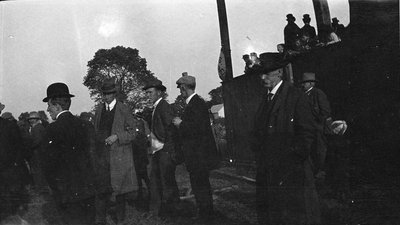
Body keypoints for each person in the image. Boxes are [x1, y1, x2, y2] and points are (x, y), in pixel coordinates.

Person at [251, 62, 321, 225]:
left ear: (279, 73)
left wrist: (290, 162)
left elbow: (306, 134)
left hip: (290, 172)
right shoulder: (266, 98)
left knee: (293, 216)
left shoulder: (295, 96)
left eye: (267, 73)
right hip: (269, 170)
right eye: (261, 74)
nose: (262, 78)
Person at [41, 83, 97, 225]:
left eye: (49, 105)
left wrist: (55, 188)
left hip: (66, 192)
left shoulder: (52, 129)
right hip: (89, 189)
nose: (47, 110)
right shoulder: (85, 125)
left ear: (57, 106)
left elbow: (49, 165)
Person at [172, 73, 219, 221]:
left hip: (199, 156)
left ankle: (206, 216)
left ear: (185, 88)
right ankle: (205, 214)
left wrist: (181, 124)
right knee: (201, 186)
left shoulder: (195, 104)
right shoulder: (196, 103)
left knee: (201, 186)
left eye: (180, 88)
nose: (180, 90)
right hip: (199, 156)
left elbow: (197, 129)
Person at [93, 78, 139, 224]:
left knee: (120, 191)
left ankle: (120, 220)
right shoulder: (100, 109)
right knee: (101, 187)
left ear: (114, 94)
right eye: (104, 94)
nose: (105, 97)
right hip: (102, 155)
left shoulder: (123, 109)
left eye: (108, 94)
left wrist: (117, 136)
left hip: (119, 156)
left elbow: (133, 132)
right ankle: (100, 219)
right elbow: (96, 129)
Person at [143, 79, 180, 217]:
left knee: (166, 183)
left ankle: (171, 213)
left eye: (150, 92)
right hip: (158, 151)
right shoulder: (156, 107)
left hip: (164, 152)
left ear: (159, 92)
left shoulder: (163, 107)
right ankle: (162, 211)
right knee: (159, 181)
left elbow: (171, 130)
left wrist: (168, 151)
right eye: (147, 93)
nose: (148, 95)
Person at [0, 103, 29, 221]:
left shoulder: (9, 125)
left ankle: (13, 214)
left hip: (8, 168)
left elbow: (19, 146)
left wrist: (16, 163)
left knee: (9, 195)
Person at [300, 72, 332, 179]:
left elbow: (326, 111)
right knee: (309, 150)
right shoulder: (303, 95)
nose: (302, 85)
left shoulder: (318, 93)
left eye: (304, 83)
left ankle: (319, 171)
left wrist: (318, 124)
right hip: (307, 129)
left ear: (310, 83)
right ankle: (312, 173)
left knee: (319, 150)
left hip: (318, 128)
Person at [27, 111, 48, 192]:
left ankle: (40, 187)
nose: (30, 120)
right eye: (30, 119)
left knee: (37, 170)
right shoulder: (38, 127)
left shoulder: (37, 128)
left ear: (36, 119)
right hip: (39, 152)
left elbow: (37, 141)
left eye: (32, 119)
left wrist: (29, 147)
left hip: (37, 153)